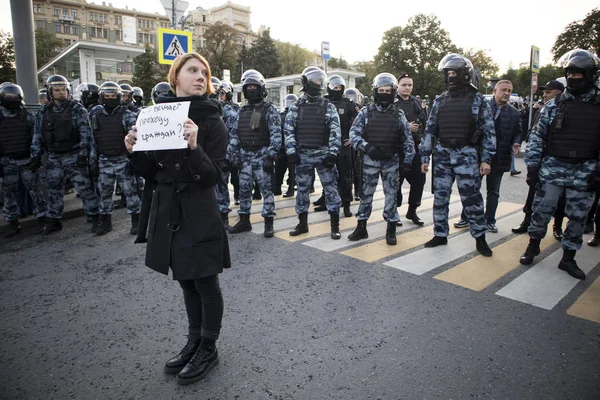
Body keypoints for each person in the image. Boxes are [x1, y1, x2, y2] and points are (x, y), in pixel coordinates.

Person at [125, 53, 230, 384]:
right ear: (176, 79)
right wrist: (133, 150)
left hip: (199, 209)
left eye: (205, 73)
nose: (201, 77)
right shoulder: (158, 117)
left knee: (205, 280)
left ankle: (208, 347)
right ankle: (194, 340)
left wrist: (194, 146)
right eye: (193, 70)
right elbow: (151, 173)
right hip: (169, 207)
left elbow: (213, 176)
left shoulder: (213, 122)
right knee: (185, 278)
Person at [519, 49, 600, 280]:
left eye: (579, 74)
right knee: (541, 210)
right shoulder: (555, 104)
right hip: (553, 167)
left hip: (585, 170)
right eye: (570, 74)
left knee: (577, 217)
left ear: (590, 75)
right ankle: (533, 246)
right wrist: (533, 167)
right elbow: (537, 136)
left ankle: (568, 259)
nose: (574, 78)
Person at [419, 53, 496, 256]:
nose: (451, 76)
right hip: (443, 155)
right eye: (448, 73)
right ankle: (440, 234)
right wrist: (425, 157)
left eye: (454, 73)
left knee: (472, 200)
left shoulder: (477, 99)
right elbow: (431, 129)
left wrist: (486, 159)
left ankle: (480, 238)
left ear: (464, 74)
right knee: (440, 198)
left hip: (467, 155)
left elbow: (488, 131)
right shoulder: (440, 100)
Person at [348, 73, 415, 245]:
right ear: (376, 91)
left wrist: (408, 161)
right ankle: (361, 227)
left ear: (392, 92)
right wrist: (367, 147)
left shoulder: (398, 114)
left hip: (391, 162)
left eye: (388, 90)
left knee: (391, 195)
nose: (384, 93)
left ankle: (391, 228)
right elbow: (353, 134)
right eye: (381, 90)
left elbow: (408, 139)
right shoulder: (366, 112)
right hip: (370, 162)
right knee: (366, 195)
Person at [31, 74, 101, 235]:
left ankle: (95, 217)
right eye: (57, 90)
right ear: (50, 91)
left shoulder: (76, 109)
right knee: (54, 190)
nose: (61, 93)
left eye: (64, 90)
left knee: (84, 189)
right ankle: (53, 220)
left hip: (74, 155)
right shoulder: (44, 111)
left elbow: (86, 134)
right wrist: (35, 156)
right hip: (54, 157)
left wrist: (84, 156)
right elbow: (38, 135)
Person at [454, 80, 521, 233]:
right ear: (495, 90)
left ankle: (489, 220)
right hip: (477, 156)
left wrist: (516, 143)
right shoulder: (482, 107)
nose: (507, 93)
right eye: (504, 90)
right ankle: (466, 217)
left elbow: (518, 132)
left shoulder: (514, 113)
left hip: (499, 156)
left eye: (509, 91)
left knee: (493, 191)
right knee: (471, 188)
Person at [284, 66, 342, 239]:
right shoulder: (296, 107)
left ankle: (334, 226)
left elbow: (335, 131)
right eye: (314, 80)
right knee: (302, 191)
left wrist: (332, 153)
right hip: (303, 155)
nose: (317, 84)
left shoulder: (328, 106)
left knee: (331, 190)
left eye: (319, 80)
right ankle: (302, 224)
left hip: (324, 154)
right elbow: (288, 131)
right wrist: (291, 151)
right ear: (306, 83)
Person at [227, 70, 282, 237]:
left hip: (262, 155)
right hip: (244, 157)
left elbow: (276, 135)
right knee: (243, 190)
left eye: (254, 86)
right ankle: (244, 220)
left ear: (261, 89)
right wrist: (233, 156)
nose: (251, 89)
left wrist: (271, 155)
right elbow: (235, 135)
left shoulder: (269, 110)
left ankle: (268, 222)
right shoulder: (242, 111)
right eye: (248, 87)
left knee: (267, 191)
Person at [512, 80, 566, 239]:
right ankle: (526, 221)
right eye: (544, 91)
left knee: (560, 197)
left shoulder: (565, 110)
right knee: (532, 194)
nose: (544, 94)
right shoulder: (542, 110)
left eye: (549, 92)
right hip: (540, 161)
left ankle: (557, 226)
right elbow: (534, 134)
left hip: (557, 163)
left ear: (559, 93)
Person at [88, 81, 140, 235]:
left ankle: (136, 221)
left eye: (113, 96)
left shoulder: (127, 115)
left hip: (123, 160)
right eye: (106, 96)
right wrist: (93, 161)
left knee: (130, 192)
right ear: (101, 97)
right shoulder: (96, 115)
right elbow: (93, 139)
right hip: (104, 160)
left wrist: (134, 160)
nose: (110, 98)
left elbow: (135, 139)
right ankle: (105, 222)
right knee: (104, 193)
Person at [0, 83, 47, 237]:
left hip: (27, 161)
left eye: (14, 96)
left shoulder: (27, 117)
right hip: (7, 162)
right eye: (9, 96)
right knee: (9, 195)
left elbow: (36, 138)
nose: (12, 99)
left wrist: (35, 158)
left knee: (37, 192)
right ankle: (13, 223)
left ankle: (42, 219)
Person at [313, 75, 360, 217]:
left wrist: (353, 138)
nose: (337, 90)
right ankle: (327, 201)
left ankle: (346, 204)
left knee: (345, 176)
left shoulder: (348, 104)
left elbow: (361, 121)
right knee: (327, 175)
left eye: (340, 88)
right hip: (325, 145)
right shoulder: (322, 103)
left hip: (343, 145)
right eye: (335, 88)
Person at [395, 73, 427, 226]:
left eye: (410, 85)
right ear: (398, 86)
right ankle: (393, 213)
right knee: (396, 182)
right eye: (404, 85)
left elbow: (425, 123)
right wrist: (405, 127)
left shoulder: (416, 103)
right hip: (397, 150)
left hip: (415, 148)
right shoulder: (392, 103)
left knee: (419, 180)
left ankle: (412, 210)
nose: (407, 88)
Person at [214, 80, 239, 227]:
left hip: (221, 155)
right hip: (203, 154)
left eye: (221, 94)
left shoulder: (228, 111)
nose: (219, 96)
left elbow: (234, 135)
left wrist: (229, 157)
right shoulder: (201, 109)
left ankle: (223, 216)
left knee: (221, 185)